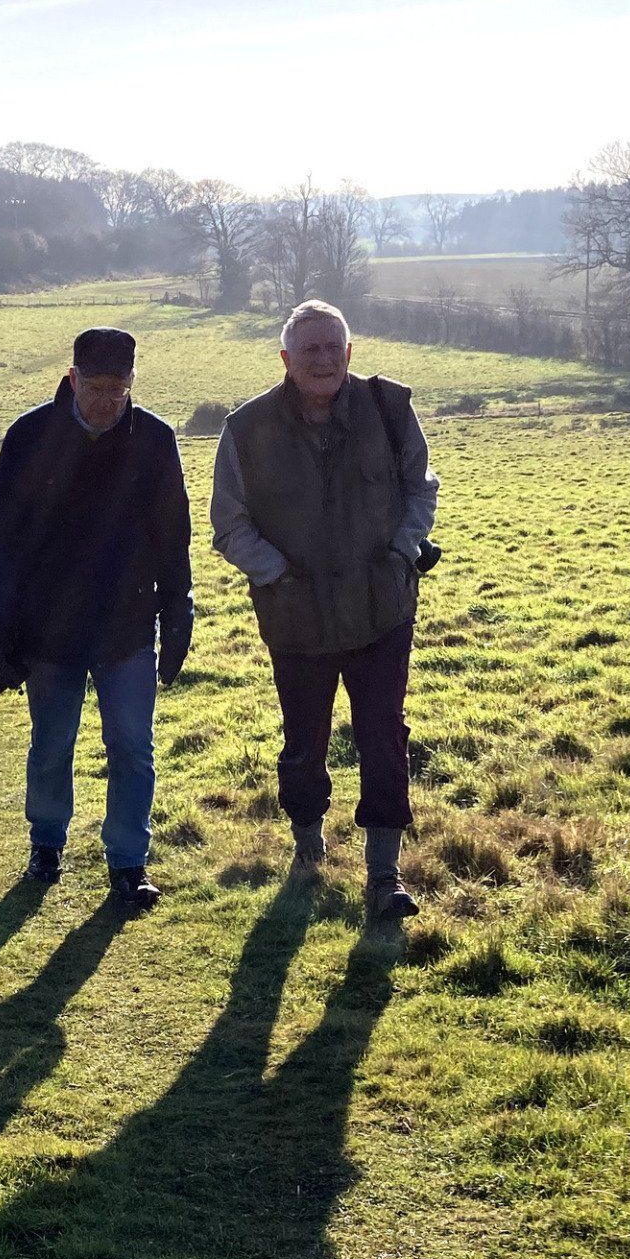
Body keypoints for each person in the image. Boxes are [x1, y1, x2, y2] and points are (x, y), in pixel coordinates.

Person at [210, 298, 439, 921]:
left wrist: (402, 549)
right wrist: (277, 575)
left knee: (384, 735)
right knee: (304, 742)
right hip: (296, 619)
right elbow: (228, 525)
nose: (321, 359)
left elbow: (422, 488)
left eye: (331, 346)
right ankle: (308, 841)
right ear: (285, 358)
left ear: (349, 353)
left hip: (380, 610)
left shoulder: (390, 410)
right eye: (308, 348)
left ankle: (383, 875)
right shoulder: (246, 428)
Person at [0, 327, 193, 909]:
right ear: (71, 379)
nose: (105, 400)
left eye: (118, 388)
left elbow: (174, 538)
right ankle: (46, 846)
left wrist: (178, 613)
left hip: (126, 628)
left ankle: (129, 862)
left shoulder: (154, 441)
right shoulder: (27, 438)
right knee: (52, 742)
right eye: (95, 386)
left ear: (131, 385)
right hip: (48, 630)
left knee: (132, 747)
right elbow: (3, 539)